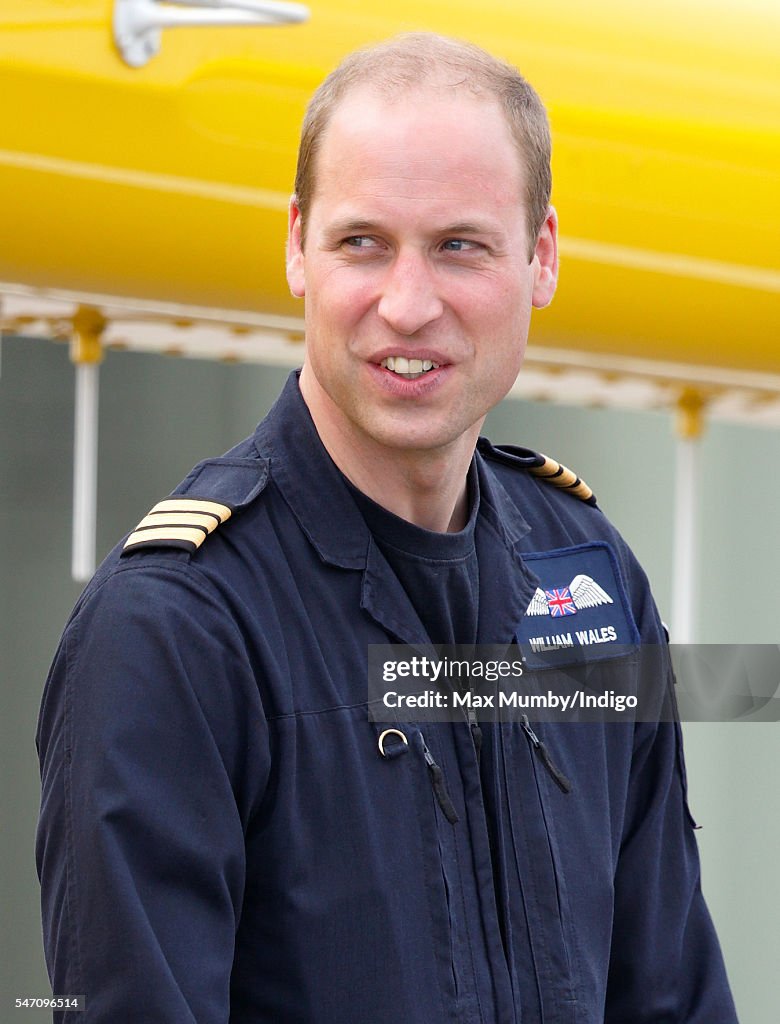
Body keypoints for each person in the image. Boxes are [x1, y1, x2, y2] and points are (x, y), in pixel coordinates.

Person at [36, 32, 738, 1023]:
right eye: (363, 242)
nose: (407, 305)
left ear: (540, 258)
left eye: (460, 245)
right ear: (296, 248)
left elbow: (670, 995)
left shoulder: (593, 582)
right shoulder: (173, 630)